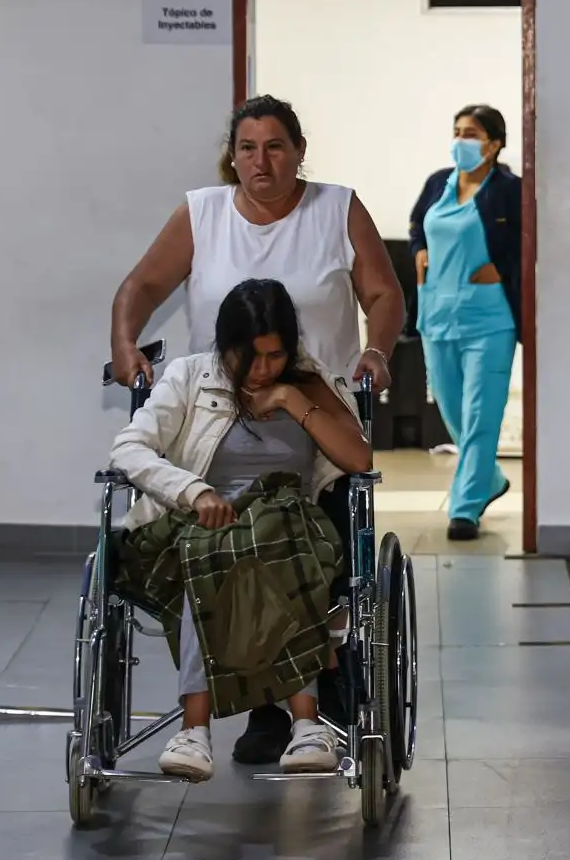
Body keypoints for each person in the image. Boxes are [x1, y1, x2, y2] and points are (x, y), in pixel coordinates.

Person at [108, 94, 405, 765]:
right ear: (231, 154)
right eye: (248, 148)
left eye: (275, 146)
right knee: (227, 543)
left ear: (299, 150)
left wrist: (375, 352)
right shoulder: (203, 212)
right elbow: (141, 285)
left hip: (311, 415)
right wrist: (126, 345)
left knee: (290, 534)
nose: (261, 161)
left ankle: (302, 691)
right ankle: (267, 708)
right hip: (213, 423)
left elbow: (383, 294)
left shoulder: (335, 208)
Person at [109, 279, 374, 782]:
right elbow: (128, 448)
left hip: (287, 524)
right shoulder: (191, 377)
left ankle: (306, 727)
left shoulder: (312, 382)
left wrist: (293, 401)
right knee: (216, 550)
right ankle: (197, 730)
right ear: (223, 345)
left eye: (274, 356)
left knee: (278, 533)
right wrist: (193, 491)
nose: (260, 369)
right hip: (201, 524)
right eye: (246, 356)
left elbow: (358, 458)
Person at [407, 104, 523, 542]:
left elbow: (530, 238)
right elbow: (418, 225)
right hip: (436, 314)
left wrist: (503, 267)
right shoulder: (439, 182)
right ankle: (488, 477)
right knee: (452, 410)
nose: (461, 141)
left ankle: (465, 506)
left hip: (489, 318)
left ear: (494, 144)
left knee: (480, 414)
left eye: (471, 133)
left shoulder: (509, 189)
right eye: (457, 131)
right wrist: (418, 251)